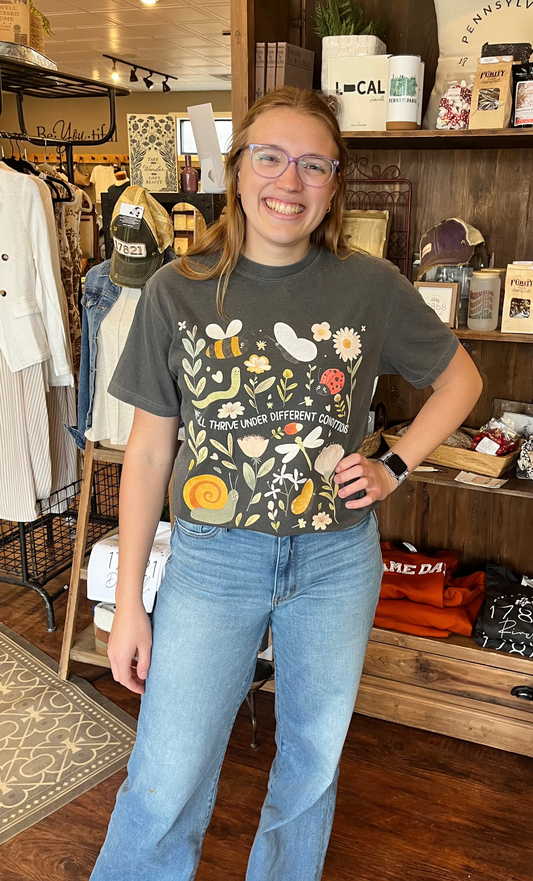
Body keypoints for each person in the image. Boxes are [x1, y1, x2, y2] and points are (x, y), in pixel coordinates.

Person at [90, 87, 482, 881]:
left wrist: (393, 465)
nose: (289, 181)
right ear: (237, 170)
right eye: (269, 157)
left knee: (310, 764)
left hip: (336, 561)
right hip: (213, 561)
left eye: (313, 165)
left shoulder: (367, 286)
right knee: (165, 770)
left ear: (333, 185)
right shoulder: (176, 288)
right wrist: (129, 599)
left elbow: (460, 380)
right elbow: (149, 452)